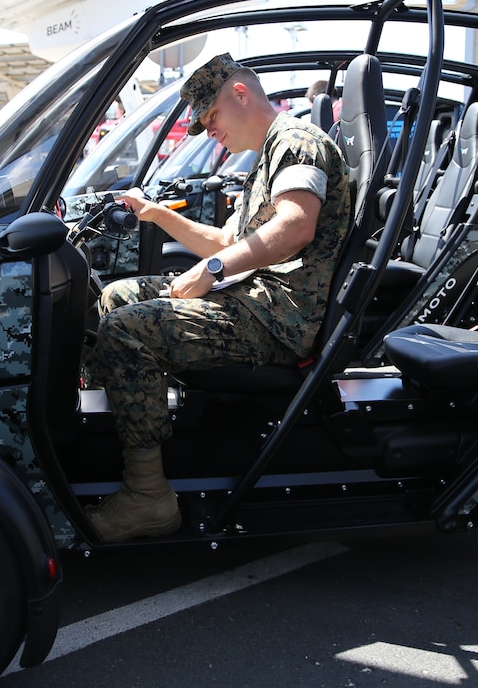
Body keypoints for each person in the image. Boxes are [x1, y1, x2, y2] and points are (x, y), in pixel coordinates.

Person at [82, 54, 351, 542]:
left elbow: (294, 227)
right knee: (118, 295)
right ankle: (120, 442)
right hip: (252, 299)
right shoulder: (269, 154)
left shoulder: (298, 142)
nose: (209, 133)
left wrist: (210, 272)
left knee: (126, 330)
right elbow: (228, 244)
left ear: (241, 96)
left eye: (212, 118)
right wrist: (156, 213)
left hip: (275, 317)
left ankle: (147, 498)